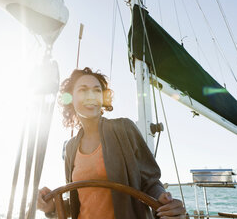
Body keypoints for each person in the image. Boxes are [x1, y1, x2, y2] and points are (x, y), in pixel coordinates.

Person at [37, 67, 186, 219]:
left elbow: (150, 181)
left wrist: (164, 200)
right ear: (70, 98)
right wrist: (52, 206)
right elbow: (79, 202)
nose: (91, 96)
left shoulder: (124, 128)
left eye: (97, 90)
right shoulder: (70, 148)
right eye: (83, 90)